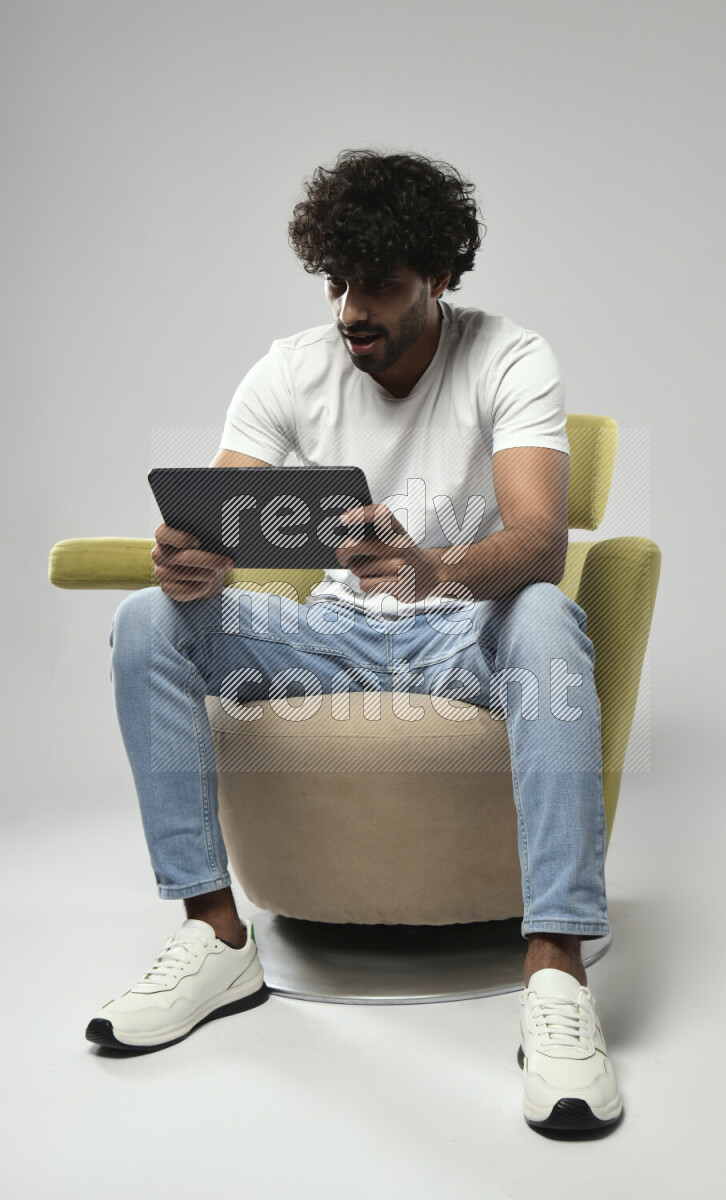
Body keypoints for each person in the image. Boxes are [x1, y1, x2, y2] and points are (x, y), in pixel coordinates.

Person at [86, 148, 623, 1132]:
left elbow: (540, 542)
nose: (349, 311)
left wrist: (433, 572)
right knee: (144, 618)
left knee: (547, 611)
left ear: (440, 276)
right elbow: (215, 511)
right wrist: (194, 562)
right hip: (329, 632)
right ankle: (214, 937)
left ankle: (554, 968)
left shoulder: (508, 356)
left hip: (464, 632)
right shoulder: (292, 366)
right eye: (336, 283)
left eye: (376, 284)